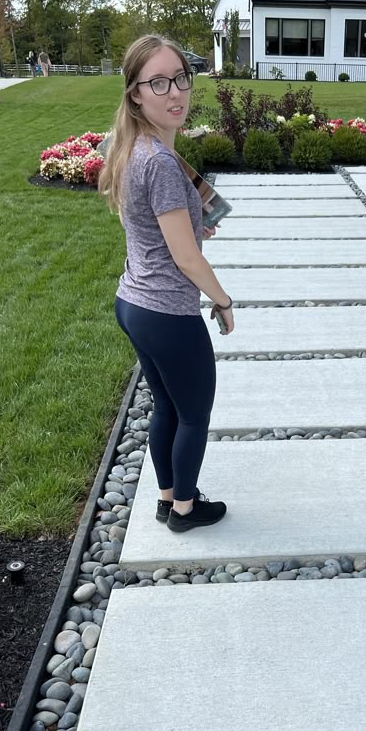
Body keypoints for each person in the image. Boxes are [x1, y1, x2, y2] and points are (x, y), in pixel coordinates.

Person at [99, 34, 234, 534]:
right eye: (158, 83)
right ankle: (184, 509)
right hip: (166, 312)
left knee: (168, 406)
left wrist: (193, 220)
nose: (175, 92)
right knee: (194, 414)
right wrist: (222, 301)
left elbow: (150, 226)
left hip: (132, 300)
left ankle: (165, 497)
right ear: (135, 92)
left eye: (180, 78)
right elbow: (187, 259)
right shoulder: (158, 162)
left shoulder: (133, 147)